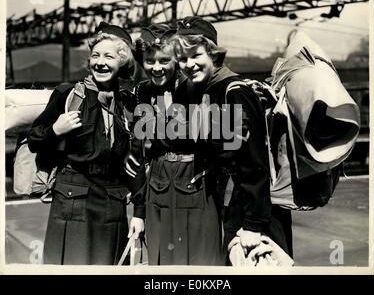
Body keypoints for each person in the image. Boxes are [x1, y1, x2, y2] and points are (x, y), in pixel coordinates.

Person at [171, 16, 293, 263]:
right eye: (182, 58)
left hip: (249, 208)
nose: (189, 64)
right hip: (226, 203)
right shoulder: (204, 90)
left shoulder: (235, 93)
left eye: (196, 55)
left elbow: (254, 162)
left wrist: (253, 224)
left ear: (213, 54)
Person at [27, 22, 145, 265]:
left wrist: (140, 213)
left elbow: (134, 162)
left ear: (122, 62)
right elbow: (34, 139)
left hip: (111, 203)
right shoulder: (68, 94)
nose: (100, 62)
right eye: (95, 55)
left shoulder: (128, 105)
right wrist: (55, 131)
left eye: (108, 56)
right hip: (73, 198)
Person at [133, 23, 224, 265]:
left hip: (197, 183)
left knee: (201, 261)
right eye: (150, 61)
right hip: (158, 186)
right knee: (161, 261)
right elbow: (140, 156)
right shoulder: (142, 93)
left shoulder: (199, 88)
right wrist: (138, 212)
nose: (157, 68)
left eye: (164, 60)